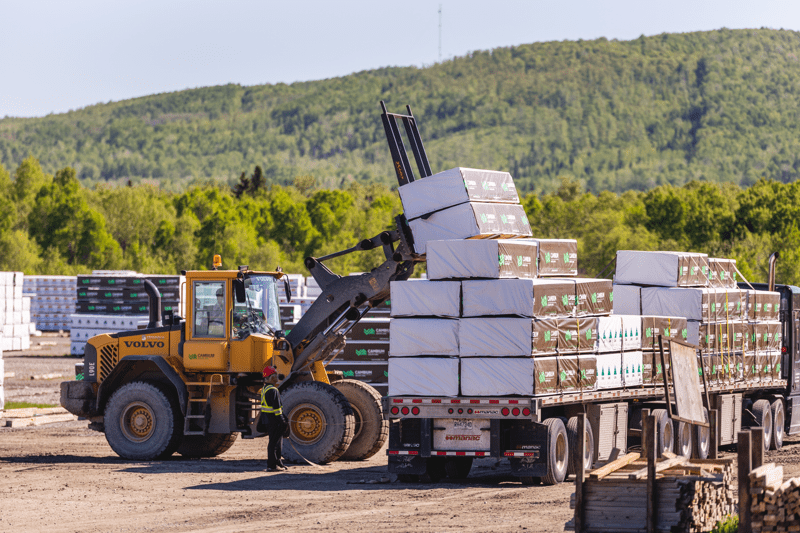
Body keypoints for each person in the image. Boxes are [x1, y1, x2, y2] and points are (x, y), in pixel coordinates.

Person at [260, 366, 288, 471]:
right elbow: (277, 409)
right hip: (274, 421)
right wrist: (282, 421)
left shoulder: (264, 389)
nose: (277, 377)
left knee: (275, 442)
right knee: (275, 443)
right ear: (271, 376)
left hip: (268, 420)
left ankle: (278, 462)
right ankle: (272, 465)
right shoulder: (273, 390)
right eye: (275, 375)